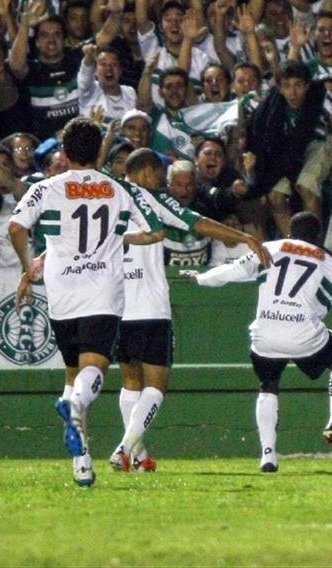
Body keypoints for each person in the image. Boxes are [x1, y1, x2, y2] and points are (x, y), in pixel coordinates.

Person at [8, 117, 163, 487]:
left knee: (72, 372)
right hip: (102, 291)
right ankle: (75, 408)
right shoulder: (118, 189)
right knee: (94, 366)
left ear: (64, 152)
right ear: (99, 151)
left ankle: (82, 464)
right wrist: (121, 240)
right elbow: (156, 231)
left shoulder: (47, 188)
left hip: (62, 290)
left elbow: (16, 227)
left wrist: (29, 266)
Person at [182, 211, 332, 472]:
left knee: (268, 385)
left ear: (289, 232)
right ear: (318, 236)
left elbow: (231, 272)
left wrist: (199, 278)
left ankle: (268, 455)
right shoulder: (326, 259)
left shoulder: (270, 248)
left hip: (265, 333)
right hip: (303, 335)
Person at [109, 148, 269, 472]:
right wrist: (244, 238)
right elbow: (198, 223)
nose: (161, 183)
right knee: (156, 383)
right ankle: (124, 449)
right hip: (149, 306)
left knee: (130, 381)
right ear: (149, 173)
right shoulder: (151, 198)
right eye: (159, 176)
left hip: (115, 305)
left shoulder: (105, 196)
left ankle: (138, 458)